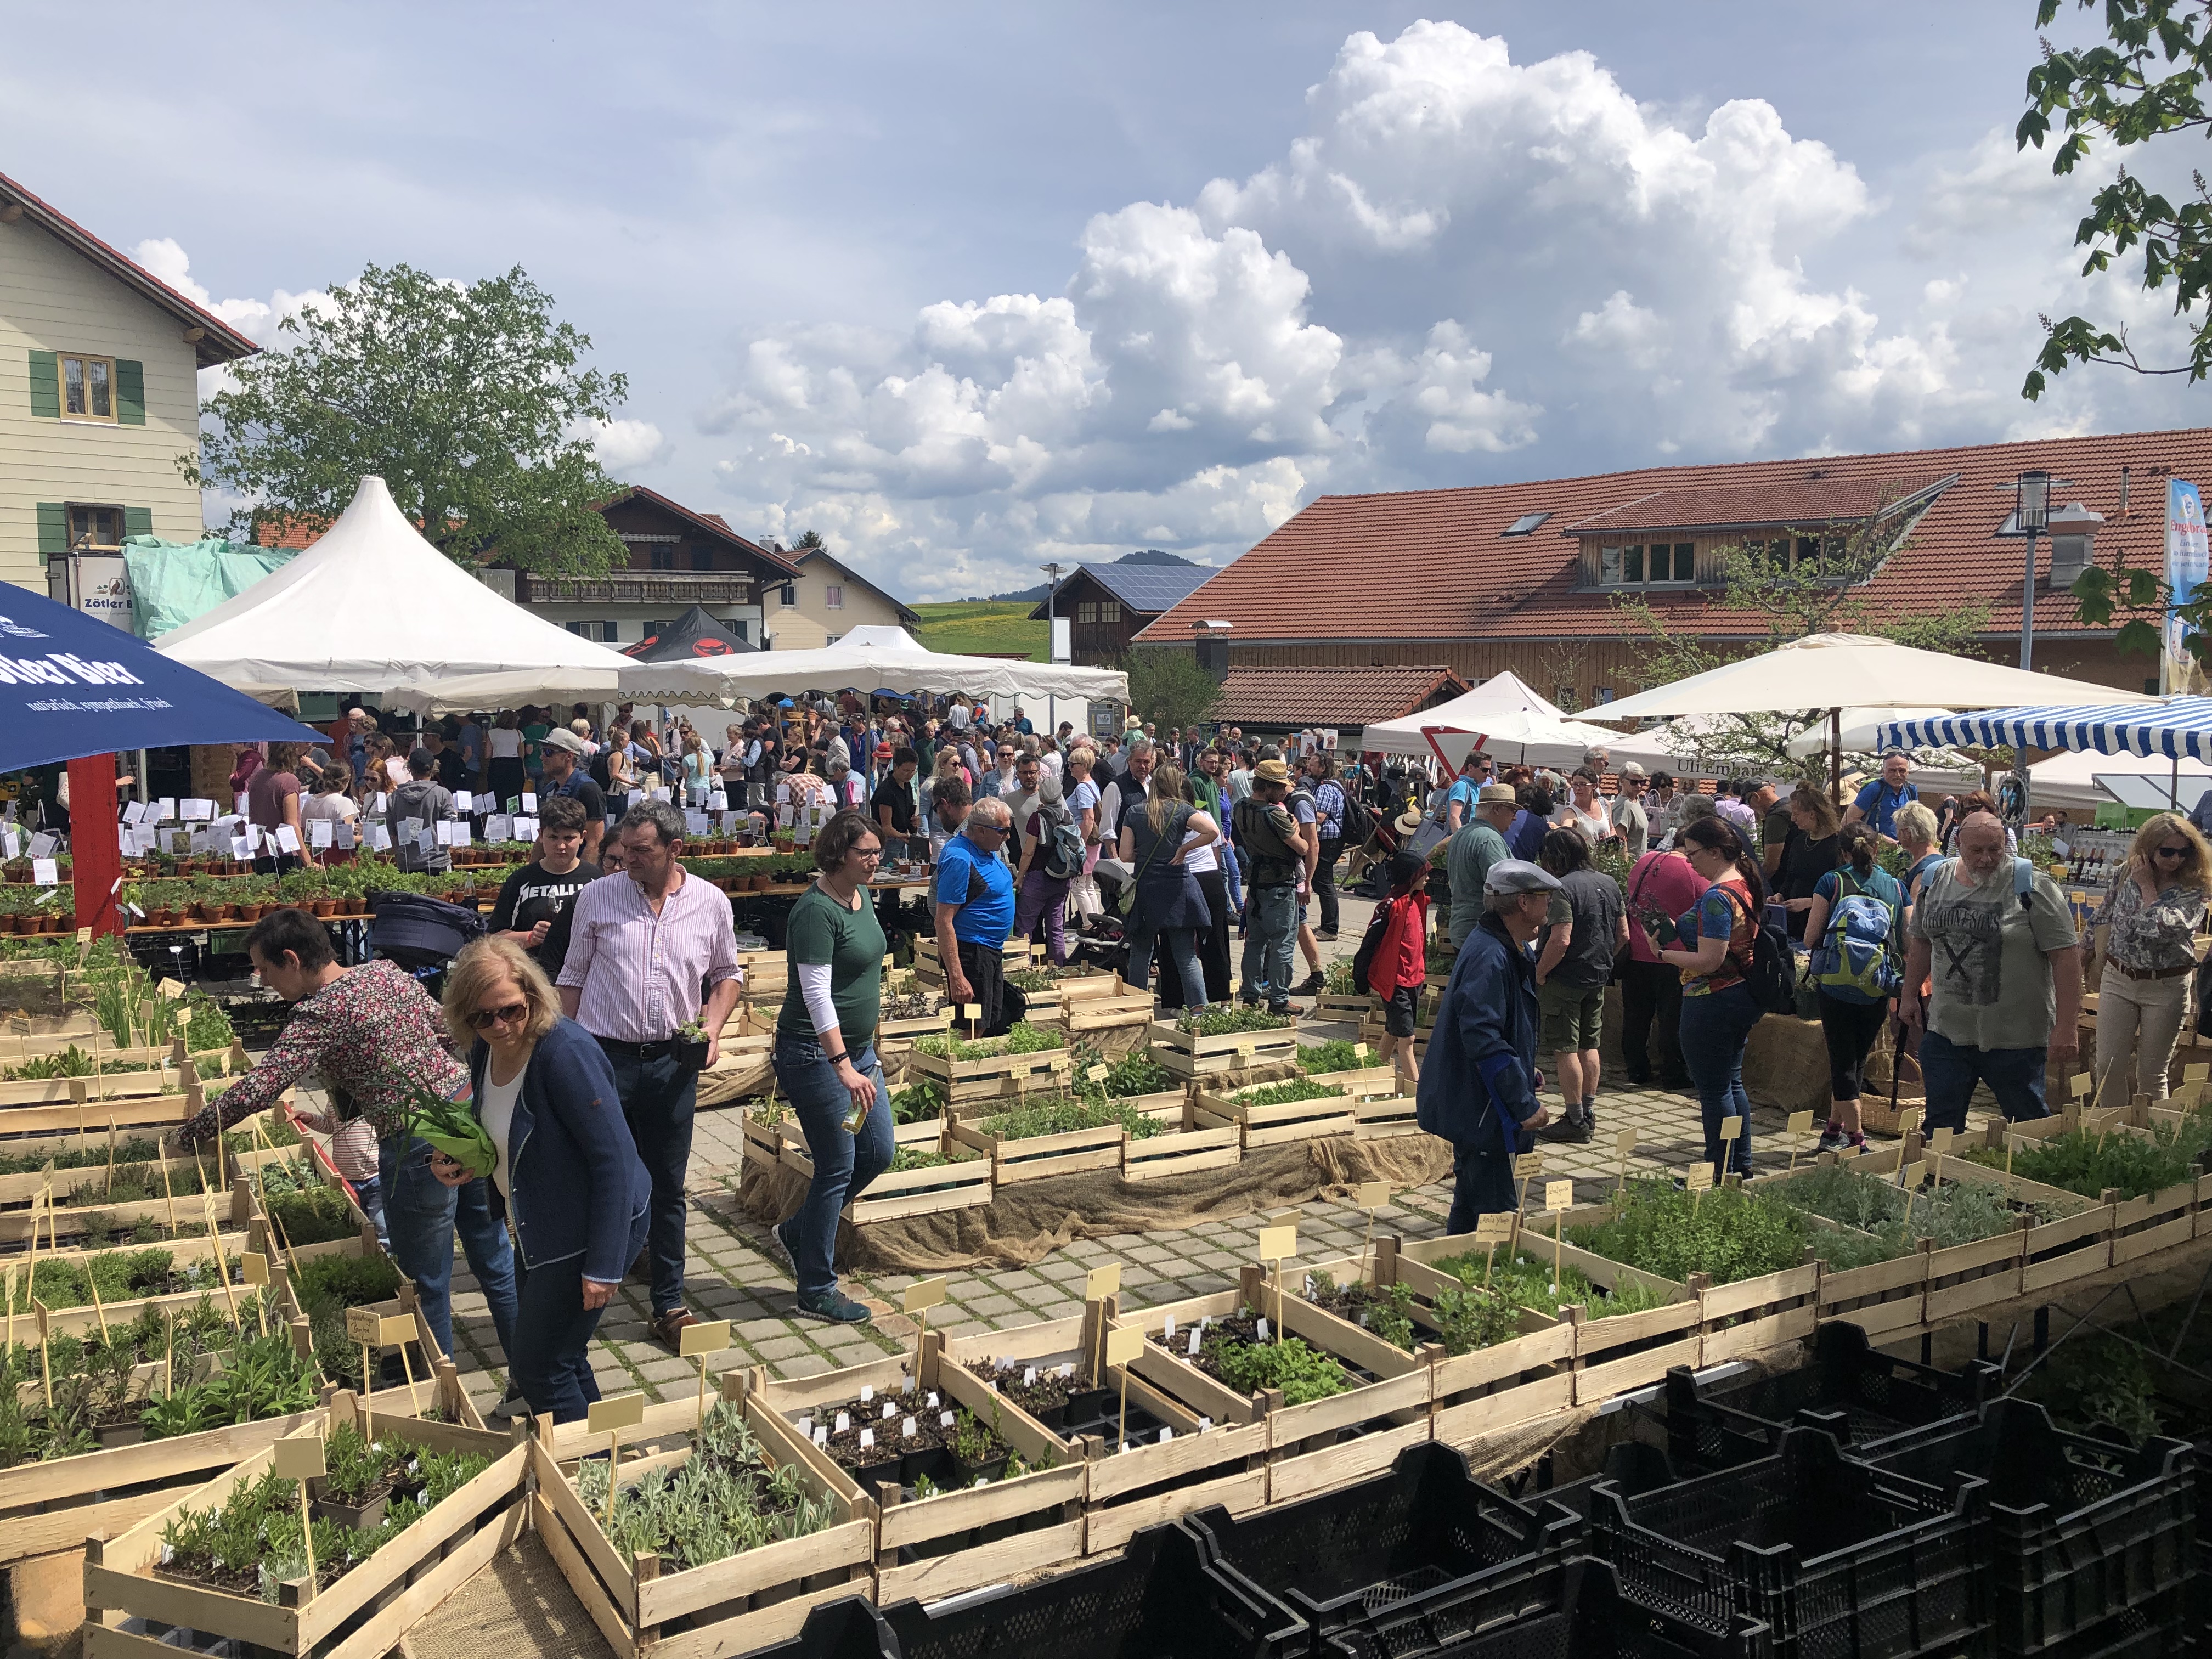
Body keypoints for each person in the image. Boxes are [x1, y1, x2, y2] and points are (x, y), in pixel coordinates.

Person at [170, 909, 518, 1382]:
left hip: (417, 1141)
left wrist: (190, 1133)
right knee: (495, 1258)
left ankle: (436, 1390)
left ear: (293, 960)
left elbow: (260, 1087)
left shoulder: (320, 1012)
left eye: (266, 969)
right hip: (466, 1116)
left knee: (426, 1280)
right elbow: (449, 1032)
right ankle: (530, 1377)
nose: (263, 980)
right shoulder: (386, 973)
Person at [431, 938, 650, 1421]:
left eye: (510, 1010)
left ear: (532, 995)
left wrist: (604, 1266)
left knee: (538, 1368)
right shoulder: (487, 1051)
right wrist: (460, 1157)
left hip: (585, 1228)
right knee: (561, 1354)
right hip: (537, 1225)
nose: (500, 1026)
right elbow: (502, 1126)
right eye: (482, 1017)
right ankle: (606, 1454)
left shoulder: (565, 1053)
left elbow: (615, 1160)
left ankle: (585, 1464)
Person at [557, 802, 742, 1348]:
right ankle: (576, 1293)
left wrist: (712, 1028)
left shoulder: (710, 902)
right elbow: (573, 976)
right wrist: (561, 1052)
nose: (628, 859)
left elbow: (727, 974)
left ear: (674, 850)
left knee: (667, 1184)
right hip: (604, 1059)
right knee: (596, 1175)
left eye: (642, 851)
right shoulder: (598, 896)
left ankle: (669, 1303)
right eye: (624, 850)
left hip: (672, 1063)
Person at [769, 810, 892, 1324]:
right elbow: (817, 993)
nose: (876, 860)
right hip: (814, 1055)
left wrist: (864, 1050)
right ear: (839, 853)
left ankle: (800, 1232)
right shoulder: (815, 911)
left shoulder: (861, 897)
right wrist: (842, 1064)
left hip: (859, 1054)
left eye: (878, 851)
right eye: (866, 852)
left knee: (877, 1151)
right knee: (837, 1163)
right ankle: (816, 1289)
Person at [1901, 812, 2081, 1134]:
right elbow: (1922, 942)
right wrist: (1908, 994)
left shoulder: (2033, 886)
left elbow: (2065, 956)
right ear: (1958, 844)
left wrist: (2067, 1027)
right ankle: (1938, 1168)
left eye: (1995, 850)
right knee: (1940, 1128)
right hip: (1948, 1033)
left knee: (2028, 1127)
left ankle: (2028, 1167)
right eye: (1976, 851)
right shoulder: (1934, 881)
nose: (1986, 859)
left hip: (2016, 1039)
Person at [1418, 860, 1558, 1232]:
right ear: (1524, 902)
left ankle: (1451, 1265)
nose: (1550, 904)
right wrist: (1524, 1103)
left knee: (1470, 1207)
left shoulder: (1509, 946)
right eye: (1545, 896)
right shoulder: (1491, 955)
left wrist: (1524, 1066)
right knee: (1498, 1218)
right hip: (1483, 1109)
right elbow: (1483, 1036)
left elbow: (1502, 1027)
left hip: (1481, 1104)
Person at [1658, 816, 1768, 1178]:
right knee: (1732, 1083)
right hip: (1740, 994)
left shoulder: (1717, 898)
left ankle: (1717, 1171)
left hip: (1712, 998)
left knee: (1714, 1090)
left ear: (1716, 852)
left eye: (1693, 854)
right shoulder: (1744, 883)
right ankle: (1740, 1164)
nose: (1690, 862)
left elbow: (1710, 960)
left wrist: (1665, 954)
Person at [2090, 812, 2211, 1104]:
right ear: (2149, 848)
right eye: (2167, 851)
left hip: (2166, 986)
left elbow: (2165, 929)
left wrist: (2147, 888)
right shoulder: (2125, 872)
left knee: (2152, 1074)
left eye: (2184, 852)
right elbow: (2104, 914)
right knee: (2107, 1068)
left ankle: (2152, 1131)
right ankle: (2112, 1129)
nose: (2176, 859)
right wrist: (2084, 952)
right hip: (2119, 978)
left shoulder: (2195, 886)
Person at [1801, 822, 1905, 1154]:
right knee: (1857, 1060)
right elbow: (1905, 941)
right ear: (1876, 849)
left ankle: (1857, 1140)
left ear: (1842, 852)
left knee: (1842, 1063)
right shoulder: (1896, 887)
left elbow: (1810, 938)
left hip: (1835, 986)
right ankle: (1833, 1131)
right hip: (1876, 986)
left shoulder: (1831, 882)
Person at [1532, 826, 1626, 1144]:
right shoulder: (1610, 883)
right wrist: (1602, 958)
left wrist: (1540, 972)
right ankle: (1588, 1112)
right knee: (1590, 1045)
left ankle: (1574, 1120)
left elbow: (1561, 939)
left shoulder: (1562, 888)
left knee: (1566, 1049)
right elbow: (1623, 934)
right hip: (1597, 975)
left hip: (1565, 978)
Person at [1620, 799, 1710, 1091]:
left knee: (1636, 1016)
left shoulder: (1644, 862)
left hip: (1637, 950)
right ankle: (1673, 1074)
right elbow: (1705, 909)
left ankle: (1636, 1069)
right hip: (1674, 955)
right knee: (1671, 1019)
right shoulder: (1694, 872)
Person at [1119, 764, 1217, 1007]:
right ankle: (1199, 1009)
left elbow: (1125, 855)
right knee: (1186, 956)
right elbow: (1212, 831)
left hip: (1147, 887)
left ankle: (1137, 1007)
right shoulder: (1182, 809)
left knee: (1141, 953)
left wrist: (1144, 853)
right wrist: (1184, 849)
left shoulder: (1135, 811)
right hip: (1177, 888)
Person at [935, 794, 1024, 1034]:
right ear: (981, 830)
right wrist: (957, 977)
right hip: (972, 953)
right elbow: (943, 921)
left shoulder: (985, 848)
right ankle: (962, 1060)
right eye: (1003, 831)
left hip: (988, 952)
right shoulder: (959, 859)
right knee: (971, 1026)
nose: (1008, 837)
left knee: (989, 1020)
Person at [487, 795, 602, 978]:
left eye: (569, 838)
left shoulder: (595, 879)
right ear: (541, 835)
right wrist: (530, 937)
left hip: (585, 978)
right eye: (553, 837)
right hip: (532, 977)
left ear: (583, 837)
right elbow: (493, 938)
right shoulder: (521, 880)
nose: (561, 846)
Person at [1234, 758, 1305, 1012]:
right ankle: (1279, 1000)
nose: (1285, 791)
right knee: (1282, 943)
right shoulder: (1275, 814)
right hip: (1280, 884)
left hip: (1255, 882)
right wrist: (1295, 825)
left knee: (1255, 942)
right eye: (1281, 787)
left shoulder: (1240, 807)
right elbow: (1303, 847)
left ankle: (1250, 997)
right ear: (1268, 787)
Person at [1366, 849, 1430, 1091]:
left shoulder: (1417, 901)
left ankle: (1373, 1072)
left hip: (1414, 978)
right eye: (1423, 874)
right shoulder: (1391, 905)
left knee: (1393, 1030)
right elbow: (1370, 942)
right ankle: (1417, 1088)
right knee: (1408, 1038)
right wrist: (1362, 975)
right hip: (1396, 981)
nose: (1428, 879)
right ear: (1410, 877)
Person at [1013, 772, 1075, 967]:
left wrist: (1020, 878)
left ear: (1042, 795)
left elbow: (1028, 852)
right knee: (1056, 926)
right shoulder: (1068, 816)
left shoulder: (1037, 818)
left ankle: (1022, 966)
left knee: (1025, 925)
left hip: (1038, 877)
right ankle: (1058, 967)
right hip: (1062, 878)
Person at [1447, 783, 1517, 949]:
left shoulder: (1461, 833)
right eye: (1513, 811)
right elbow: (1504, 889)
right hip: (1484, 935)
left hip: (1463, 929)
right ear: (1497, 809)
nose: (1514, 818)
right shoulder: (1490, 840)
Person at [1774, 785, 1844, 943]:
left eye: (1796, 814)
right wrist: (1780, 895)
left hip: (1821, 924)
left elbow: (1841, 891)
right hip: (1793, 923)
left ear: (1812, 814)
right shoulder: (1799, 842)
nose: (1793, 819)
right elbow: (1790, 877)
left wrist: (1809, 903)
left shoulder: (1837, 846)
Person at [539, 729, 608, 865]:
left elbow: (595, 842)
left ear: (569, 756)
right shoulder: (549, 789)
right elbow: (542, 837)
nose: (542, 757)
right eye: (542, 751)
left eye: (548, 752)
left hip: (578, 869)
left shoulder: (589, 790)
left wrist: (580, 874)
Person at [246, 741, 313, 874]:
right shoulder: (289, 781)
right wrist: (308, 861)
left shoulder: (256, 778)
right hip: (284, 854)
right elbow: (292, 824)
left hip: (260, 852)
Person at [389, 747, 455, 874]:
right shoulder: (442, 794)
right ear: (433, 767)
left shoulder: (395, 797)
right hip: (438, 862)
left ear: (409, 768)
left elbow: (391, 833)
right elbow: (451, 828)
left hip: (407, 863)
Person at [1306, 752, 1346, 940]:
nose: (1309, 768)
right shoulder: (1335, 784)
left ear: (1322, 768)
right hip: (1333, 839)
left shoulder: (1325, 788)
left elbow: (1319, 817)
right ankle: (1327, 925)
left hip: (1327, 841)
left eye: (1313, 765)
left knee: (1324, 884)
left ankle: (1330, 929)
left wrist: (1300, 815)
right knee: (1324, 883)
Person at [1846, 752, 1920, 842]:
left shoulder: (1911, 790)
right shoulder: (1874, 789)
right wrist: (1879, 837)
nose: (1898, 775)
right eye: (1892, 771)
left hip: (1904, 848)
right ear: (1883, 772)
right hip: (1875, 847)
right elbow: (1848, 820)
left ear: (1908, 772)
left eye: (1902, 771)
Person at [301, 761, 360, 843]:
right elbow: (346, 838)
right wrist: (364, 837)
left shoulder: (310, 800)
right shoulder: (344, 803)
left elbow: (304, 829)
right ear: (347, 780)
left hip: (313, 849)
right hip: (336, 850)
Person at [1551, 769, 1613, 847]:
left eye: (1583, 784)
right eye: (1575, 785)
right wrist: (1559, 830)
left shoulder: (1604, 804)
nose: (1578, 788)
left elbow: (1611, 829)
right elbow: (1566, 829)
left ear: (1594, 786)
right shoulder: (1570, 813)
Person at [1440, 751, 1487, 833]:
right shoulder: (1462, 786)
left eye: (1490, 770)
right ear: (1471, 767)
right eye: (1485, 770)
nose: (1488, 773)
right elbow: (1454, 817)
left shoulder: (1475, 787)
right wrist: (1461, 839)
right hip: (1457, 838)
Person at [1611, 763, 1651, 861]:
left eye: (1642, 782)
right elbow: (1621, 841)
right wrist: (1626, 867)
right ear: (1622, 781)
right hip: (1631, 865)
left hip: (1639, 863)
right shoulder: (1624, 805)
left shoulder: (1635, 800)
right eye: (1634, 782)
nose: (1639, 786)